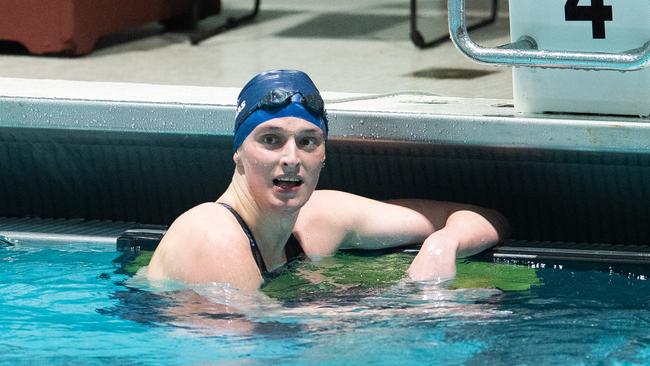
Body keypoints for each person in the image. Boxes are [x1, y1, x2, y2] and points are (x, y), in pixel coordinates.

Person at [146, 69, 509, 292]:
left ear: (323, 156)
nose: (291, 158)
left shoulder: (318, 220)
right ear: (238, 153)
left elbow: (488, 219)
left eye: (307, 142)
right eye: (270, 140)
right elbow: (254, 346)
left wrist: (442, 247)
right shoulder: (211, 234)